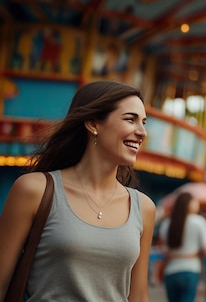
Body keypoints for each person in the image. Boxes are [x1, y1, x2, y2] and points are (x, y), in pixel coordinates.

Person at [0, 80, 156, 301]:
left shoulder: (144, 207)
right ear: (93, 124)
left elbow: (138, 296)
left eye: (144, 122)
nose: (142, 132)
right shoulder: (35, 190)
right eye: (130, 119)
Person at [159, 192, 206, 302]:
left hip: (170, 271)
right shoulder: (198, 221)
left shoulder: (166, 223)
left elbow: (163, 248)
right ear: (189, 204)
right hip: (190, 270)